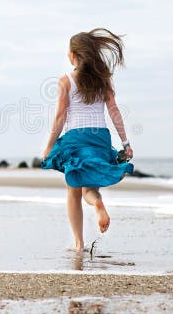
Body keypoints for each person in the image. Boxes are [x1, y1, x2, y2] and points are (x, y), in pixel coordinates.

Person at [41, 28, 134, 252]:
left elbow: (61, 116)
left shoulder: (66, 81)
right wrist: (125, 143)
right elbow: (114, 111)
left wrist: (49, 146)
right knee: (90, 189)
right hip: (100, 136)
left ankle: (79, 244)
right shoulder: (103, 80)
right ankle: (98, 204)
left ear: (74, 54)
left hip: (75, 138)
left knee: (74, 191)